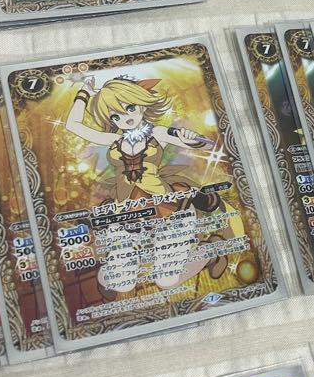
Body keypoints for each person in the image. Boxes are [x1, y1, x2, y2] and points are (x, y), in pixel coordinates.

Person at [64, 76, 226, 293]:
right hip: (126, 214)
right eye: (116, 115)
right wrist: (84, 91)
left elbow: (208, 145)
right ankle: (112, 272)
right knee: (122, 284)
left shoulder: (158, 133)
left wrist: (191, 139)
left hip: (168, 210)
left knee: (166, 282)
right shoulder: (113, 140)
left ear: (141, 103)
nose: (126, 118)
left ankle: (211, 251)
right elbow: (72, 125)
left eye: (130, 108)